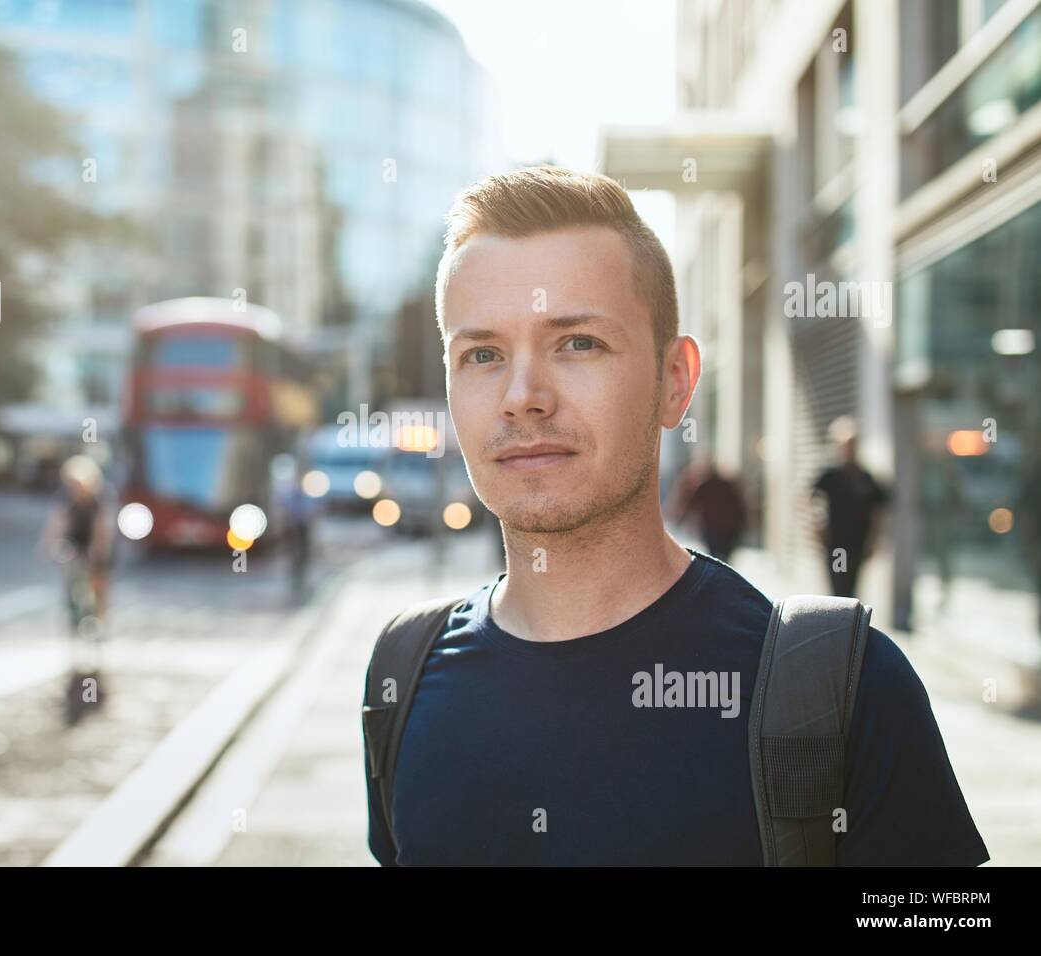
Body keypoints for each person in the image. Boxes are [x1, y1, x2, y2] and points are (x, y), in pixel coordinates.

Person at [364, 165, 987, 866]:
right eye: (482, 354)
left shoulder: (843, 692)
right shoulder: (402, 678)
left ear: (675, 383)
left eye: (578, 343)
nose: (523, 396)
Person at [811, 417, 889, 598]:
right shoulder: (831, 476)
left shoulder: (865, 477)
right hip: (839, 545)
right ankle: (842, 621)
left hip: (858, 544)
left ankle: (850, 622)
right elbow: (812, 499)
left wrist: (875, 540)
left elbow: (878, 511)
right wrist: (817, 526)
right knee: (840, 587)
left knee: (853, 588)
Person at [39, 454, 115, 625]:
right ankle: (72, 606)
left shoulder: (102, 497)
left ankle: (100, 615)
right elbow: (56, 523)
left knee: (99, 575)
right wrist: (47, 546)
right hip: (75, 535)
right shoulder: (64, 497)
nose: (76, 489)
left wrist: (96, 551)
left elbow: (102, 529)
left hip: (96, 536)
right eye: (72, 485)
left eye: (79, 485)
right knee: (69, 567)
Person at [667, 457, 746, 562]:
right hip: (726, 529)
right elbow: (738, 506)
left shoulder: (707, 486)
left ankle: (719, 575)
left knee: (716, 557)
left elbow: (690, 505)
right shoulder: (725, 485)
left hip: (713, 528)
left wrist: (678, 519)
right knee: (723, 558)